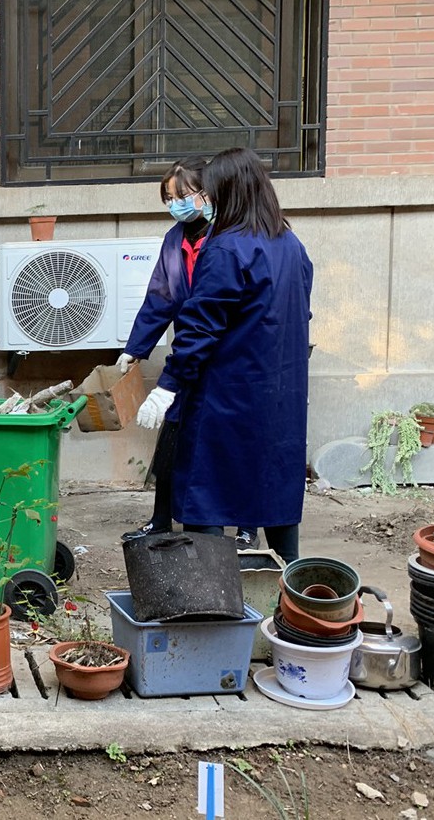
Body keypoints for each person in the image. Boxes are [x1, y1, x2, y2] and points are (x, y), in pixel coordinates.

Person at [135, 148, 312, 565]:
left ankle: (215, 601)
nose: (207, 201)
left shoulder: (227, 249)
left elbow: (199, 329)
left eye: (212, 193)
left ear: (229, 192)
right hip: (281, 394)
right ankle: (290, 591)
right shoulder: (291, 244)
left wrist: (168, 385)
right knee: (276, 494)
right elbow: (300, 314)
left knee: (208, 496)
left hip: (225, 394)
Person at [116, 158, 211, 539]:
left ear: (207, 192)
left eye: (182, 196)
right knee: (171, 437)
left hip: (220, 355)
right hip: (185, 353)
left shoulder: (225, 237)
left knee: (224, 444)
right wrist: (135, 348)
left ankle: (246, 528)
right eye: (170, 198)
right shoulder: (175, 239)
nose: (176, 205)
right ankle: (160, 519)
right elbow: (160, 297)